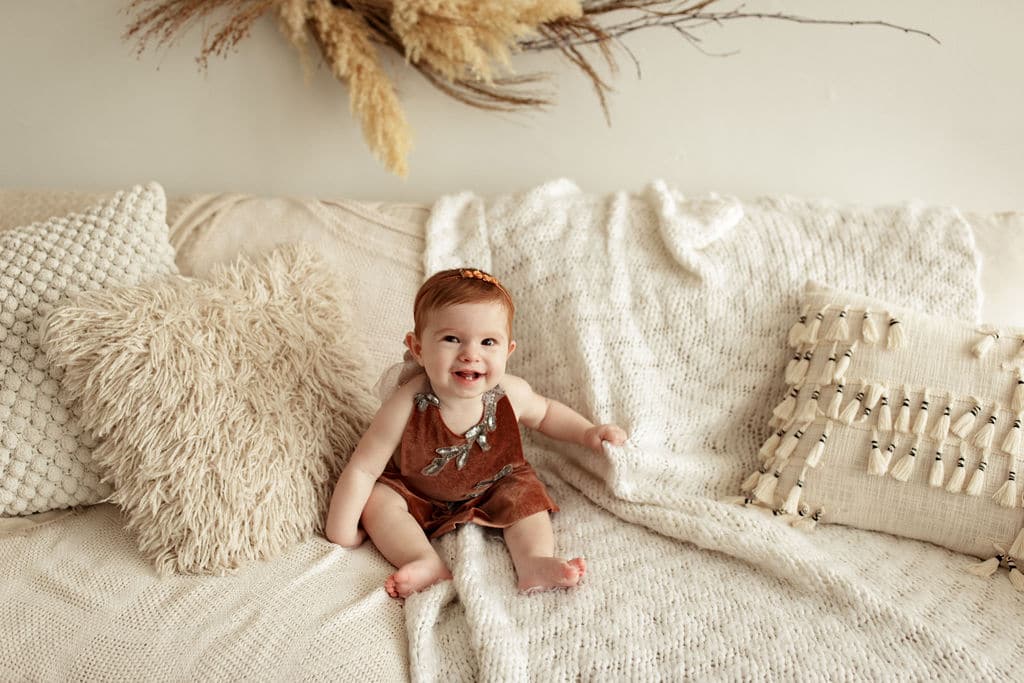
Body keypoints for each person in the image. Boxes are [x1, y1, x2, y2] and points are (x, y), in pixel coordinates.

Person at [325, 268, 628, 598]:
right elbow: (364, 467)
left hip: (495, 481)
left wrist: (587, 433)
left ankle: (533, 561)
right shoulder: (407, 403)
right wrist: (342, 529)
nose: (471, 353)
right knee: (379, 500)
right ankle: (424, 560)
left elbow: (546, 414)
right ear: (418, 348)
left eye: (488, 342)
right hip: (417, 491)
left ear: (507, 351)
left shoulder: (508, 393)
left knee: (526, 494)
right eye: (452, 339)